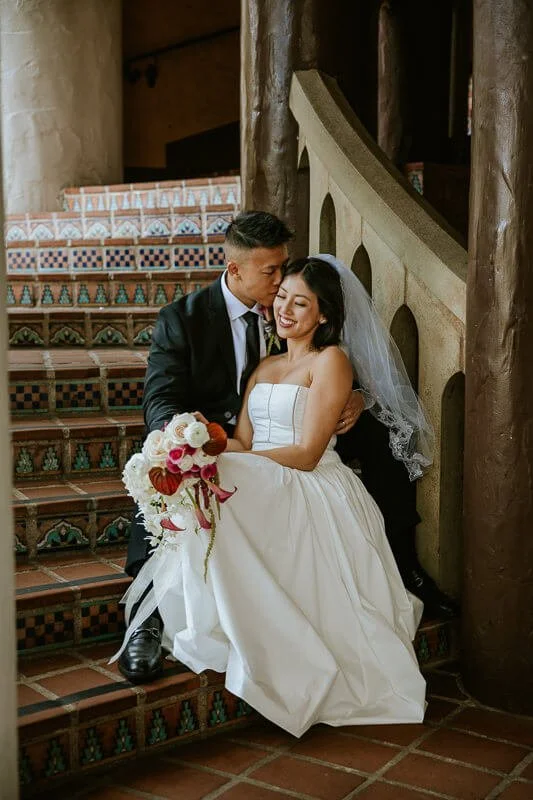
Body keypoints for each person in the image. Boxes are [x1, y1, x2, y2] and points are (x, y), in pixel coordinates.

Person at [119, 210, 455, 685]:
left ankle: (403, 562)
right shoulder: (184, 319)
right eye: (271, 273)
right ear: (236, 270)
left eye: (284, 268)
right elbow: (161, 396)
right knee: (162, 457)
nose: (280, 284)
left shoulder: (298, 313)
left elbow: (331, 359)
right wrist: (183, 434)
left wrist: (356, 394)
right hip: (228, 433)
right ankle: (150, 612)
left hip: (292, 423)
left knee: (378, 430)